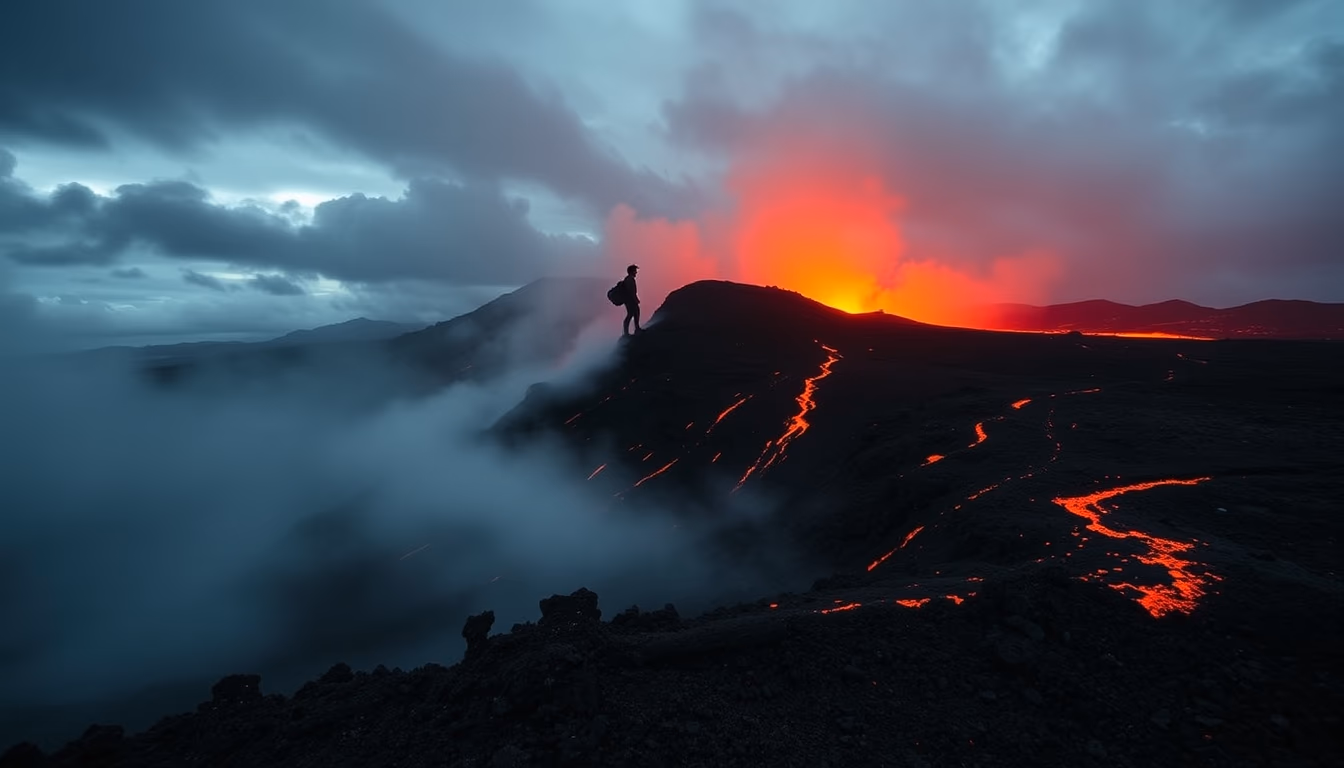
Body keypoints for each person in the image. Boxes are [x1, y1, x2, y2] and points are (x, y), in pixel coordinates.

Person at [621, 264, 642, 336]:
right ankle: (629, 331)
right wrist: (635, 299)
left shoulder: (628, 279)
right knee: (631, 314)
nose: (636, 272)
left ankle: (636, 329)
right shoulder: (630, 279)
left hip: (629, 300)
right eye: (635, 271)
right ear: (632, 271)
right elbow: (631, 291)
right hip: (630, 300)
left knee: (634, 313)